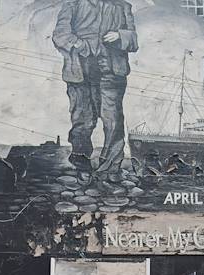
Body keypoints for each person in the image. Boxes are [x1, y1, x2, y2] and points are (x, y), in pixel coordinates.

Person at [52, 0, 138, 181]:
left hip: (111, 72)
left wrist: (120, 36)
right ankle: (81, 161)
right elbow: (60, 35)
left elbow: (133, 41)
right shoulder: (73, 5)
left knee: (113, 120)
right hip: (80, 71)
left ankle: (111, 168)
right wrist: (80, 46)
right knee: (82, 120)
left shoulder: (123, 6)